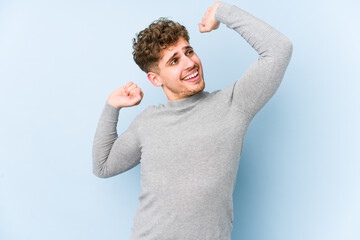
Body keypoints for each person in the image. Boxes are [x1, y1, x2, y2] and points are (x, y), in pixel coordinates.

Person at [92, 1, 293, 239]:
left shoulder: (234, 105)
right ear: (155, 80)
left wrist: (221, 11)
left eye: (188, 52)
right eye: (174, 61)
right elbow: (103, 166)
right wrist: (111, 106)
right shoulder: (147, 123)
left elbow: (279, 49)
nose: (189, 63)